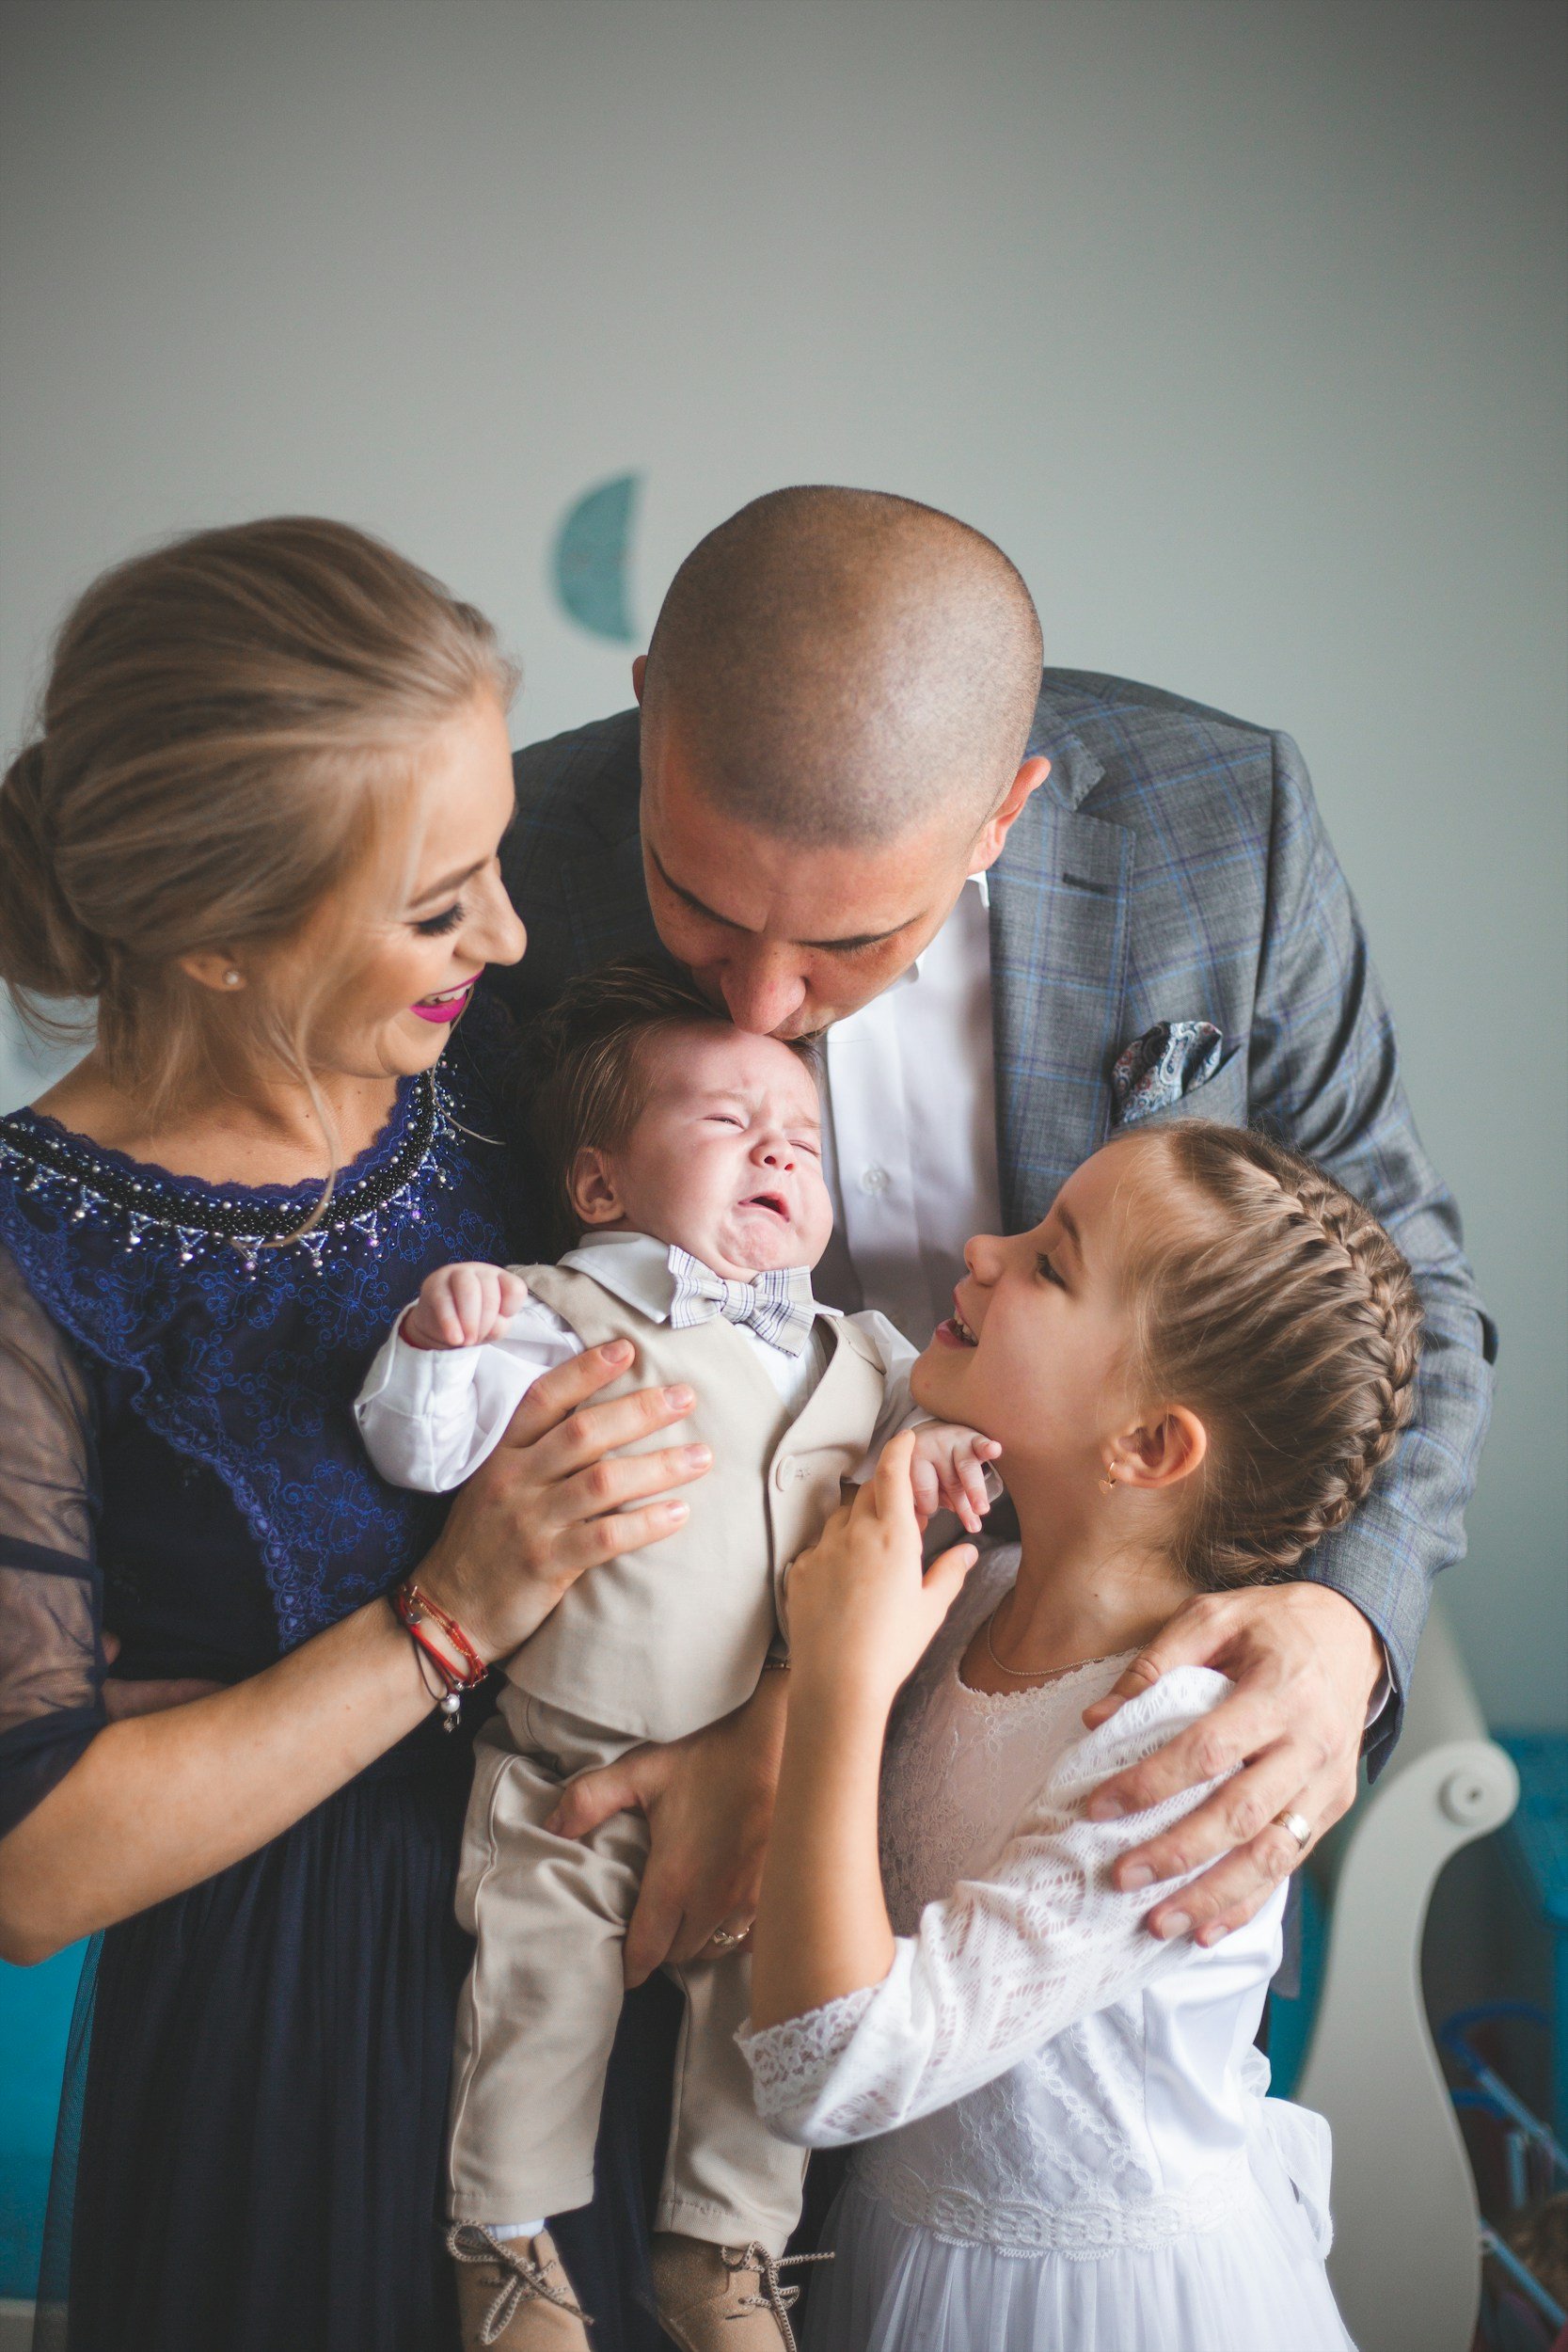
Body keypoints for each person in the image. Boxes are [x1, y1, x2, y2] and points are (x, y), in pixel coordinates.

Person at [495, 485, 1495, 1976]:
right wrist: (754, 1699)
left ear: (1004, 812)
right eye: (697, 905)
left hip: (1084, 1715)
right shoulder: (520, 858)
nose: (756, 1005)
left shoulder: (1230, 829)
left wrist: (1350, 1627)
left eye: (849, 941)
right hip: (661, 1708)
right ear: (651, 723)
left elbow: (1409, 1278)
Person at [0, 521, 740, 2352]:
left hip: (609, 1950)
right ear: (214, 939)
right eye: (436, 901)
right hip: (303, 2034)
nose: (502, 930)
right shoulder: (29, 1259)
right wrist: (453, 1613)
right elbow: (34, 1863)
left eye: (495, 861)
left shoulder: (505, 1084)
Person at [354, 959, 996, 2352]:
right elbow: (422, 1451)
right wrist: (433, 1338)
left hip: (781, 1780)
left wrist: (931, 1450)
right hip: (562, 1769)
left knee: (768, 2029)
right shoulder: (548, 1310)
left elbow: (908, 1471)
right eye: (723, 1122)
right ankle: (509, 2253)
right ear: (598, 1186)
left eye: (803, 1137)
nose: (778, 1145)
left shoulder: (861, 1350)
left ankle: (727, 2254)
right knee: (534, 2006)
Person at [741, 1120, 1422, 2351]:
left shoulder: (1169, 1747)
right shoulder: (978, 1592)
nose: (982, 1249)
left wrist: (840, 1676)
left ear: (1151, 1445)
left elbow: (829, 2072)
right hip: (900, 2244)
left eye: (1050, 1263)